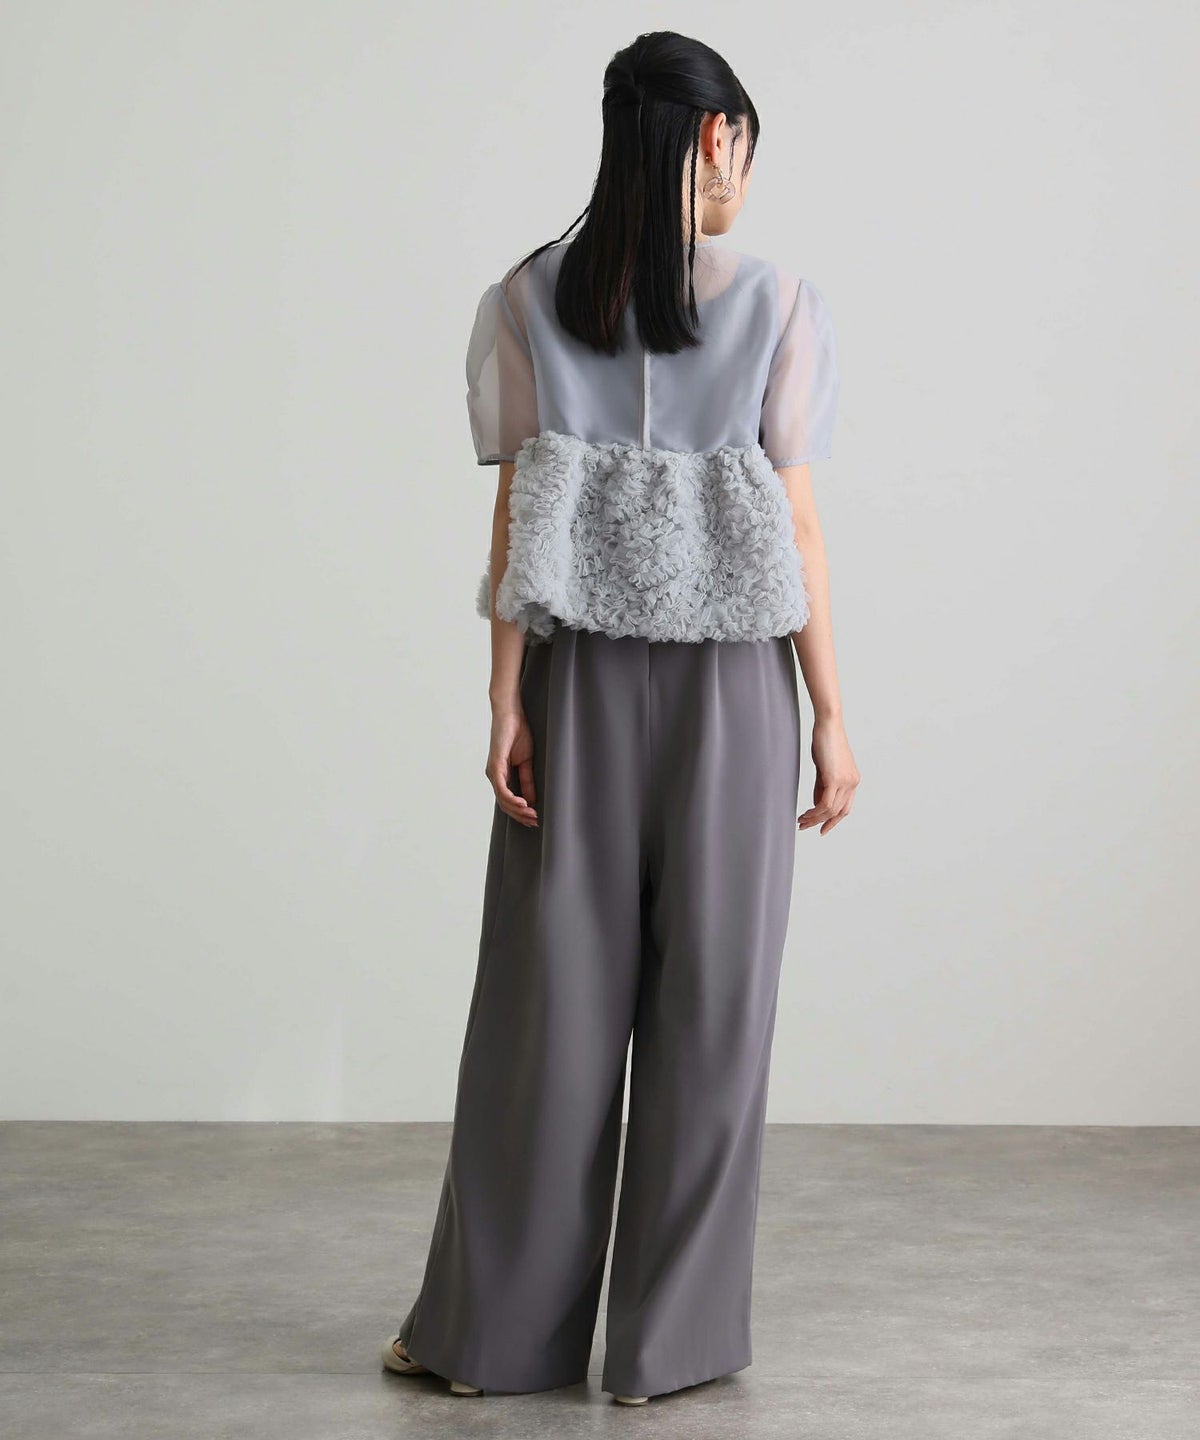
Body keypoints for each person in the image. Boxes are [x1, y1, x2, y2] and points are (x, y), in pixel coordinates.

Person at [382, 28, 860, 1407]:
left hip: (577, 678)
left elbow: (520, 507)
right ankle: (668, 1350)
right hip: (734, 687)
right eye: (746, 149)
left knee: (547, 1014)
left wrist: (503, 699)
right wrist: (832, 714)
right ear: (717, 137)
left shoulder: (529, 296)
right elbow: (801, 534)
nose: (747, 176)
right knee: (714, 1009)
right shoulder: (779, 303)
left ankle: (491, 1340)